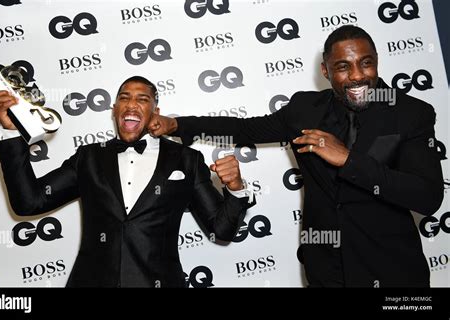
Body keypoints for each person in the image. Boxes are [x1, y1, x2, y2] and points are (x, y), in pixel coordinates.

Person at [148, 25, 444, 287]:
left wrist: (349, 160)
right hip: (326, 270)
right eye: (343, 67)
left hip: (394, 271)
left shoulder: (410, 114)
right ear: (326, 72)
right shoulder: (305, 109)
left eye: (366, 64)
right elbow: (244, 129)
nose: (357, 76)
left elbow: (428, 197)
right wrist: (178, 124)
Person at [0, 76, 254, 287]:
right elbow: (30, 202)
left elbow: (221, 231)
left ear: (155, 111)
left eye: (142, 99)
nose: (131, 104)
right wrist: (9, 130)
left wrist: (236, 189)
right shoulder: (89, 157)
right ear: (114, 110)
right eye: (124, 98)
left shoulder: (186, 160)